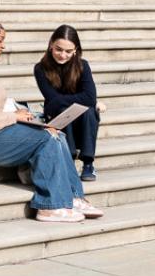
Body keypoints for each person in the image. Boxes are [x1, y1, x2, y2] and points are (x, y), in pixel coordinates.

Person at [0, 15, 103, 223]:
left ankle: (73, 196)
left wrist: (20, 115)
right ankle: (50, 205)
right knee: (45, 139)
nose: (3, 46)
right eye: (0, 40)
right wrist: (13, 117)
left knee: (55, 133)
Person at [34, 24, 105, 181]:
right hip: (56, 114)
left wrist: (67, 101)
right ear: (51, 45)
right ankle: (69, 159)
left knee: (88, 111)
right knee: (68, 108)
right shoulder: (40, 68)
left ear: (75, 50)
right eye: (59, 49)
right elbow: (52, 100)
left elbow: (90, 98)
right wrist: (77, 100)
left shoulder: (82, 65)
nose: (62, 55)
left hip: (80, 115)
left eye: (68, 51)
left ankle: (88, 164)